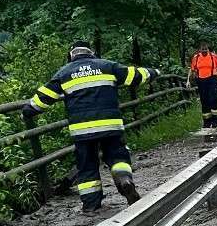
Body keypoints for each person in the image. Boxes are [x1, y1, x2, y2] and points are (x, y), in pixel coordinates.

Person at [23, 41, 160, 215]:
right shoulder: (107, 66)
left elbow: (43, 97)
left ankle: (91, 206)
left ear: (71, 55)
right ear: (92, 53)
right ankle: (124, 179)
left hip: (82, 130)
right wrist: (155, 72)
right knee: (118, 156)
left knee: (86, 166)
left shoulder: (64, 73)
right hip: (110, 125)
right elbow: (135, 75)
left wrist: (28, 111)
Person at [187, 42, 217, 129]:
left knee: (213, 99)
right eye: (202, 49)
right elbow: (191, 70)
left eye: (205, 49)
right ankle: (207, 122)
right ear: (200, 50)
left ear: (208, 49)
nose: (204, 51)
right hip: (201, 80)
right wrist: (188, 81)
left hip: (212, 79)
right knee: (204, 101)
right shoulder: (196, 58)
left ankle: (215, 121)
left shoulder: (213, 57)